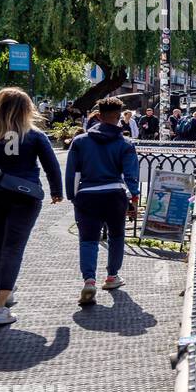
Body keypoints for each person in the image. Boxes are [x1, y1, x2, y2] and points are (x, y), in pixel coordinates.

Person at [0, 88, 64, 326]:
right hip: (25, 196)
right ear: (26, 110)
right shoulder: (35, 135)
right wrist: (57, 192)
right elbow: (51, 166)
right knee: (13, 248)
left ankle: (4, 293)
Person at [65, 97, 140, 306]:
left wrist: (73, 197)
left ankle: (89, 280)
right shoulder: (125, 143)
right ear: (119, 118)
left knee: (88, 240)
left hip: (87, 195)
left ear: (98, 116)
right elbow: (130, 175)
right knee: (116, 237)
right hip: (114, 195)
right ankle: (112, 277)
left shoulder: (80, 141)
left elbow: (72, 173)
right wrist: (133, 198)